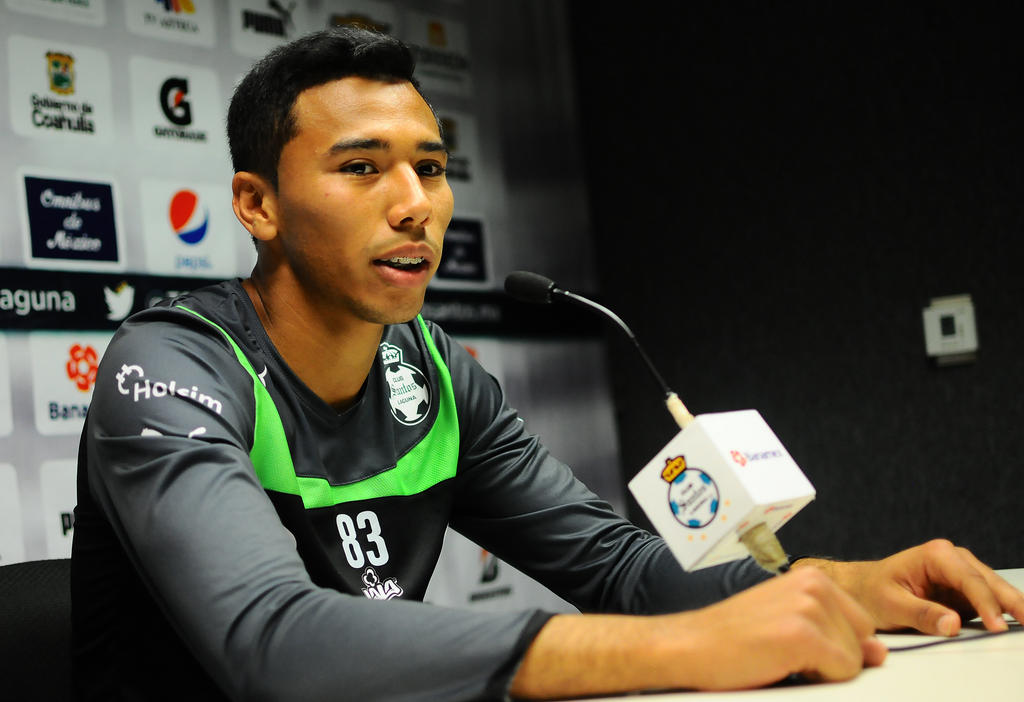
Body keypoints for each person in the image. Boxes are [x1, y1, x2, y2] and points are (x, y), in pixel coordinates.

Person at [70, 26, 1024, 701]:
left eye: (430, 167)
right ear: (258, 205)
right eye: (362, 168)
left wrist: (836, 586)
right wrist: (680, 649)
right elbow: (271, 642)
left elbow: (622, 572)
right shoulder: (170, 365)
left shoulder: (434, 374)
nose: (416, 205)